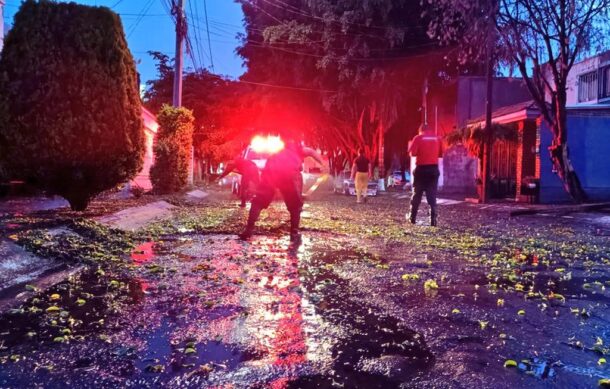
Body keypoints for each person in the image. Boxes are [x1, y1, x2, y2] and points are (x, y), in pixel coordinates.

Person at [239, 140, 324, 242]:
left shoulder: (278, 151)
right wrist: (323, 164)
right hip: (289, 174)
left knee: (258, 201)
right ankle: (294, 233)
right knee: (295, 206)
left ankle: (248, 230)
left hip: (271, 171)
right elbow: (311, 152)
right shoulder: (298, 149)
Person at [407, 125, 444, 226]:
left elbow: (413, 153)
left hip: (421, 170)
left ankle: (412, 217)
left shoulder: (418, 138)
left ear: (421, 131)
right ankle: (433, 218)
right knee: (432, 194)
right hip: (433, 170)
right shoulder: (438, 138)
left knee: (417, 194)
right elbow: (441, 154)